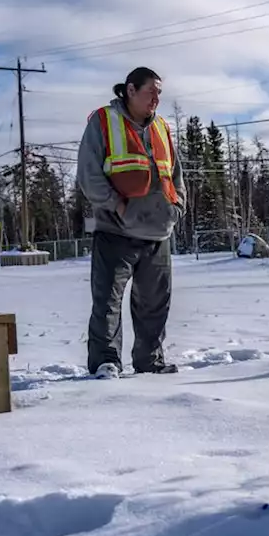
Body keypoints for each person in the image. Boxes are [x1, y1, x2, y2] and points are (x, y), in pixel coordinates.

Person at [77, 66, 186, 378]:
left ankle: (150, 361)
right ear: (130, 90)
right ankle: (105, 363)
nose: (156, 98)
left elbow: (176, 175)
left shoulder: (162, 127)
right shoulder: (103, 121)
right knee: (108, 303)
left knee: (155, 305)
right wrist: (117, 206)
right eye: (151, 90)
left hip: (158, 234)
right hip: (115, 232)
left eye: (159, 92)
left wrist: (176, 207)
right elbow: (89, 174)